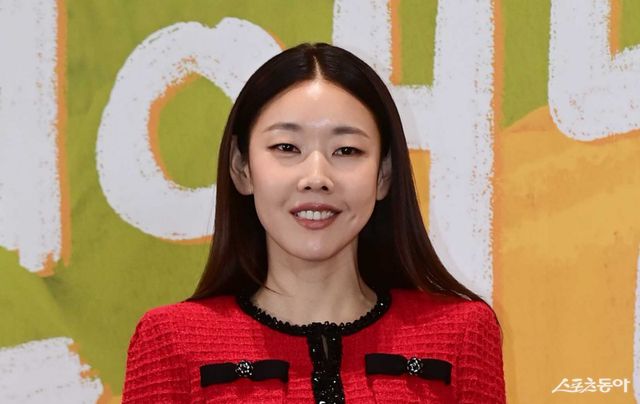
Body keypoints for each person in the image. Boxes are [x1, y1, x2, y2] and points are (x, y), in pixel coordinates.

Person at [122, 42, 506, 403]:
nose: (317, 177)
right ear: (242, 168)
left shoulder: (462, 333)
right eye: (287, 147)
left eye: (347, 150)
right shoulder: (170, 340)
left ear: (384, 174)